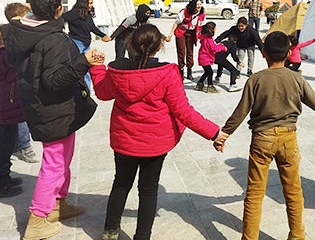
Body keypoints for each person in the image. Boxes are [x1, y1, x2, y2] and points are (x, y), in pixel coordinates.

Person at [91, 24, 228, 240]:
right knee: (148, 190)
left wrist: (97, 67)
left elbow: (101, 92)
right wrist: (213, 132)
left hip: (124, 140)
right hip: (155, 144)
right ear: (159, 46)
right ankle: (142, 236)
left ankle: (110, 230)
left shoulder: (117, 70)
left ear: (131, 44)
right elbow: (183, 112)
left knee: (120, 185)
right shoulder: (167, 73)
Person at [217, 31, 315, 240]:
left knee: (254, 195)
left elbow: (241, 111)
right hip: (288, 139)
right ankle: (297, 236)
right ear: (289, 53)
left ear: (264, 53)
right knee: (293, 193)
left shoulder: (255, 79)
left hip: (261, 140)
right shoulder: (296, 78)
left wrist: (224, 133)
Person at [6, 0, 104, 240]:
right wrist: (83, 60)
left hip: (44, 105)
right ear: (58, 9)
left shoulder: (22, 31)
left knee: (63, 158)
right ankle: (38, 219)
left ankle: (59, 203)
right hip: (53, 108)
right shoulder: (54, 39)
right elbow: (55, 81)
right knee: (54, 163)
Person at [3, 2, 40, 164]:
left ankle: (18, 146)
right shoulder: (12, 33)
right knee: (19, 115)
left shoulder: (14, 31)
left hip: (16, 81)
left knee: (15, 116)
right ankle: (24, 146)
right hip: (13, 83)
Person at [0, 24, 25, 199]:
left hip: (2, 104)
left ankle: (4, 176)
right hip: (6, 105)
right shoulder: (4, 57)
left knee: (3, 142)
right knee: (4, 145)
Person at [63, 0, 111, 91]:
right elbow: (61, 19)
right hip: (76, 43)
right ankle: (77, 89)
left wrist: (103, 35)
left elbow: (92, 28)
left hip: (86, 44)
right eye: (90, 3)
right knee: (79, 67)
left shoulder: (87, 14)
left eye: (92, 3)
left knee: (89, 66)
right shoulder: (73, 14)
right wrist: (62, 28)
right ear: (83, 3)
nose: (91, 5)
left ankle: (87, 90)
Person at [165, 0, 205, 80]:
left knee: (190, 52)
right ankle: (181, 71)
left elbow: (203, 27)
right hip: (181, 32)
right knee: (181, 52)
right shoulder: (185, 12)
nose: (199, 6)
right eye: (197, 4)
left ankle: (189, 71)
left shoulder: (201, 15)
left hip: (192, 33)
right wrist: (170, 34)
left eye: (200, 4)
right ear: (193, 5)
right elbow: (176, 23)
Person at [195, 22, 226, 94]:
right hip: (205, 58)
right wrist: (222, 47)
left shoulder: (204, 37)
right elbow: (214, 48)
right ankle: (210, 86)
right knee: (210, 72)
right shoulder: (209, 39)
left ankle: (200, 84)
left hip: (203, 57)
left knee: (207, 72)